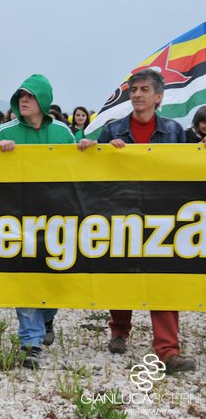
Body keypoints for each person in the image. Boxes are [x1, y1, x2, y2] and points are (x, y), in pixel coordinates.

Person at [78, 68, 195, 374]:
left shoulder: (174, 131)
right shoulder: (112, 129)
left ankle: (168, 349)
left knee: (164, 279)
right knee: (120, 270)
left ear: (158, 97)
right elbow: (96, 171)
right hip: (121, 213)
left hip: (161, 216)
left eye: (144, 90)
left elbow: (187, 167)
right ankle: (119, 330)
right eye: (133, 90)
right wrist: (93, 151)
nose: (137, 95)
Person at [0, 73, 75, 369]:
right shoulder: (2, 133)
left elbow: (78, 172)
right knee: (25, 279)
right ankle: (30, 342)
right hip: (18, 220)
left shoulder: (64, 133)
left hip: (55, 220)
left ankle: (46, 317)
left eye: (30, 95)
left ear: (44, 101)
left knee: (56, 277)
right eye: (21, 95)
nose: (24, 100)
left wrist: (89, 150)